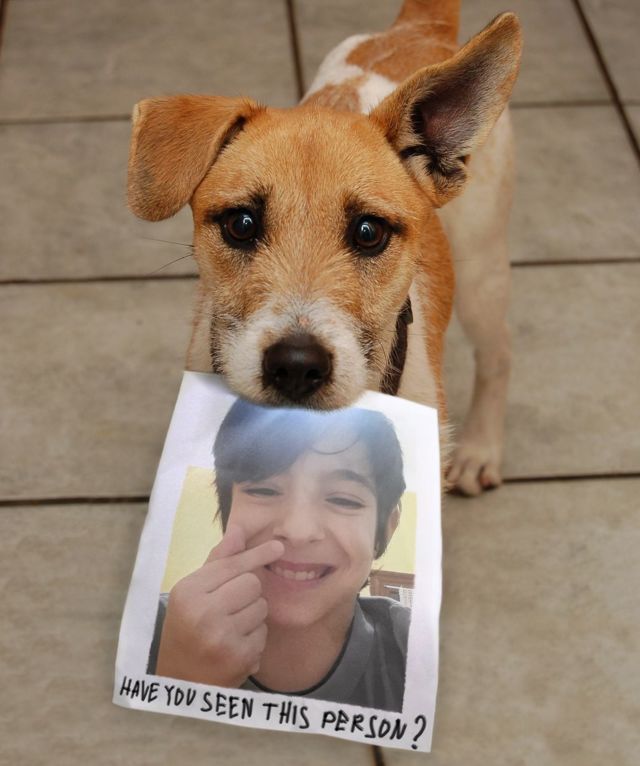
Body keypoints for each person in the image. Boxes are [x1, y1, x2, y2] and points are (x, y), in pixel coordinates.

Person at [148, 399, 410, 712]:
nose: (297, 530)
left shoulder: (414, 649)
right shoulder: (148, 627)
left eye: (343, 500)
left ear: (386, 528)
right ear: (227, 512)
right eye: (264, 490)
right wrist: (181, 682)